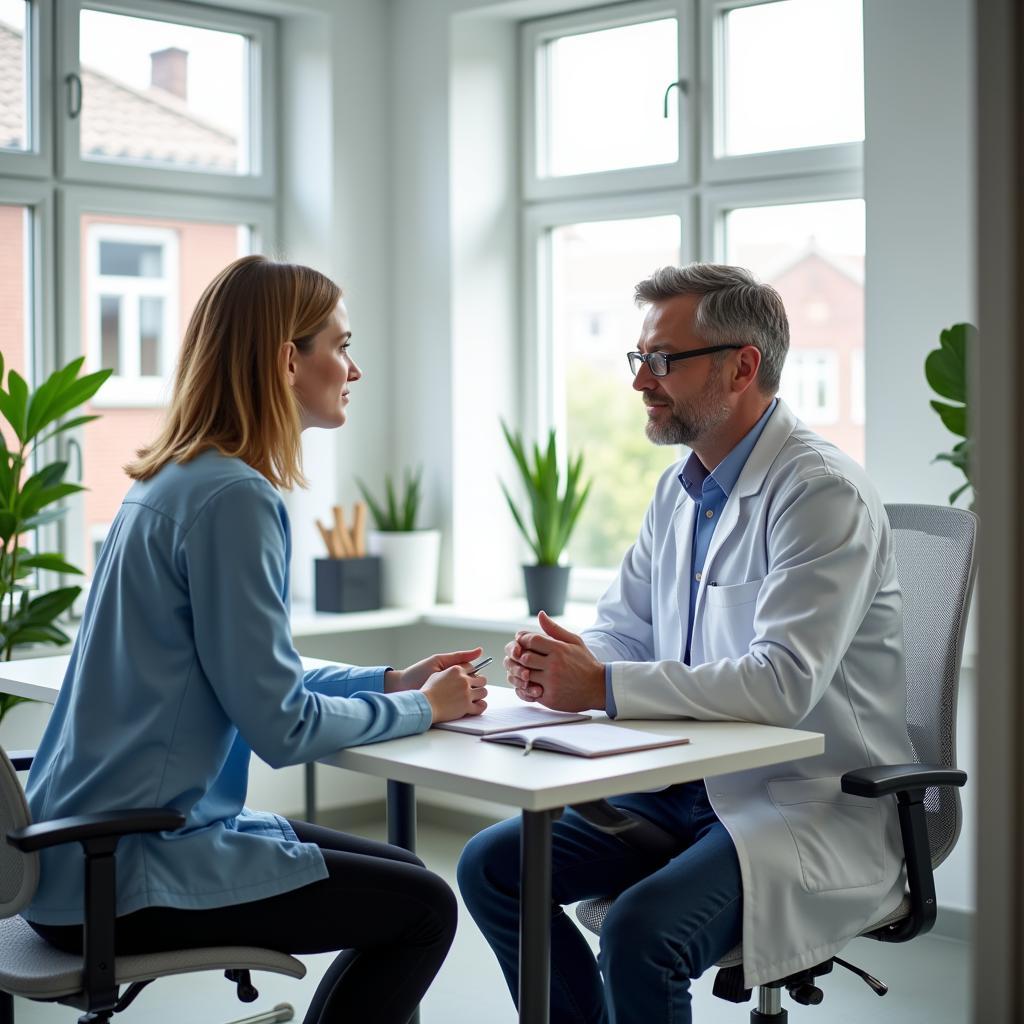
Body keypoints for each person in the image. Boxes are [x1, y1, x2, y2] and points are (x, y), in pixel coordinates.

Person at [23, 255, 488, 1024]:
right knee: (424, 909)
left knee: (405, 874)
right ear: (286, 359)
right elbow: (282, 723)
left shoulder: (170, 481)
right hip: (132, 865)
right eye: (341, 344)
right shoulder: (237, 497)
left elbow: (246, 674)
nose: (355, 367)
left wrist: (390, 685)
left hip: (69, 858)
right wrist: (426, 712)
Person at [457, 263, 916, 1024]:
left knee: (642, 933)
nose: (643, 381)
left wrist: (599, 685)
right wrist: (563, 658)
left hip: (802, 799)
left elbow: (782, 685)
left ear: (743, 367)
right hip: (683, 788)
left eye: (664, 361)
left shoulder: (819, 493)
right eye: (640, 360)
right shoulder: (680, 488)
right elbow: (623, 626)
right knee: (494, 866)